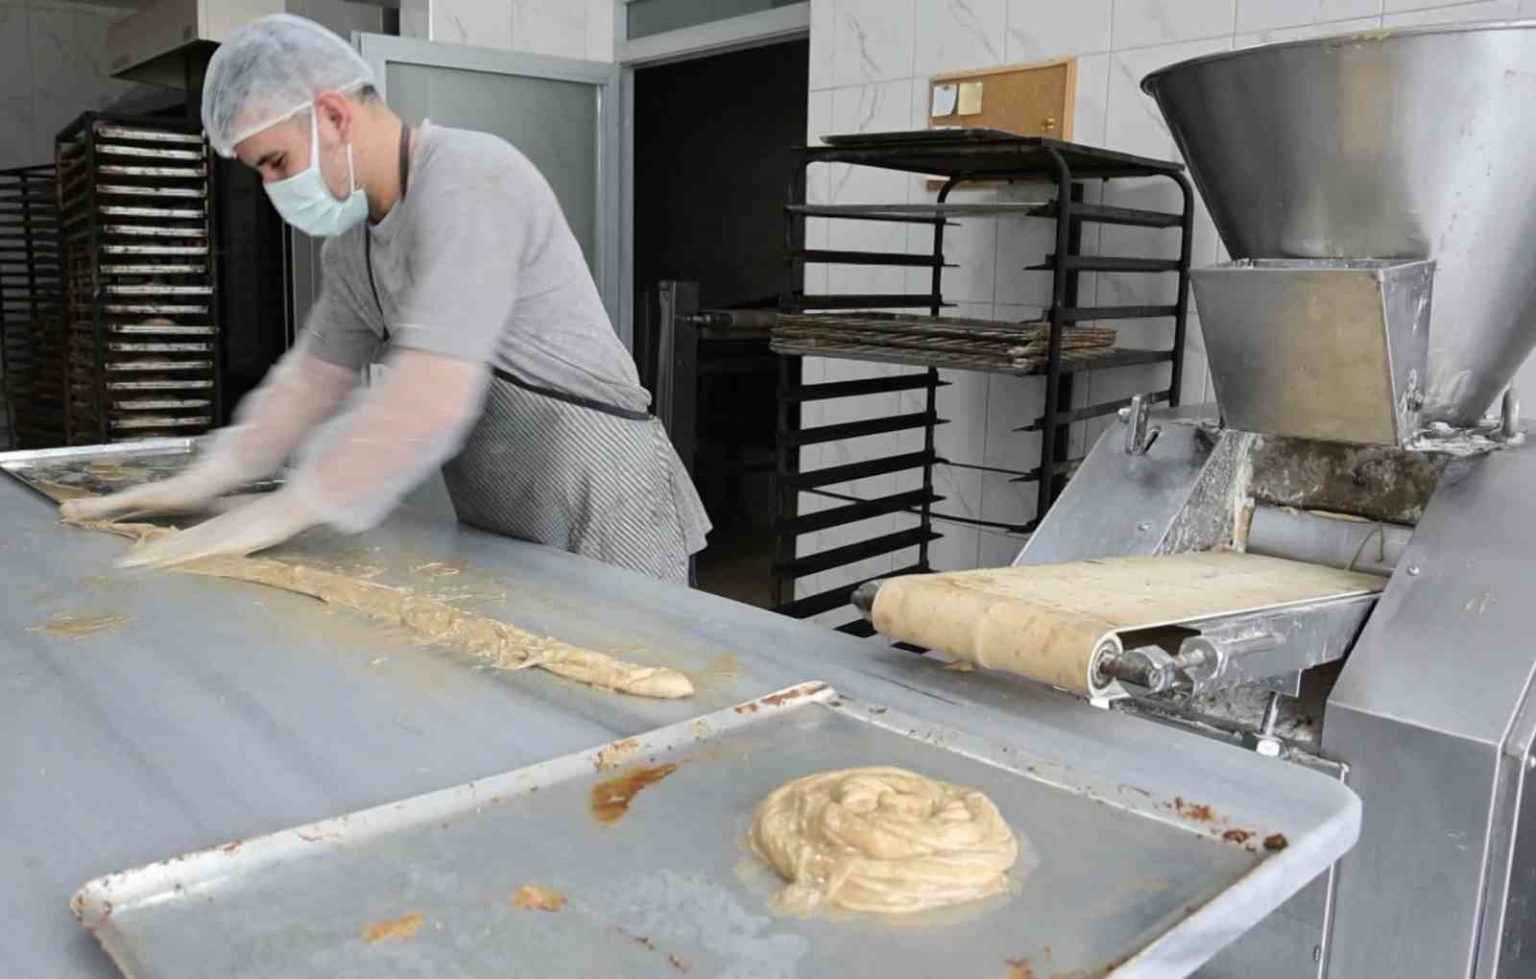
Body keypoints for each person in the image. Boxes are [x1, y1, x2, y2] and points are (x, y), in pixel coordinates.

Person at [63, 13, 709, 583]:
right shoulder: (355, 247)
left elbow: (429, 396)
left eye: (277, 163)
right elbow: (309, 383)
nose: (271, 187)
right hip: (507, 506)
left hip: (600, 491)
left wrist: (295, 505)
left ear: (333, 116)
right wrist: (212, 473)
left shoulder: (471, 178)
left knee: (638, 673)